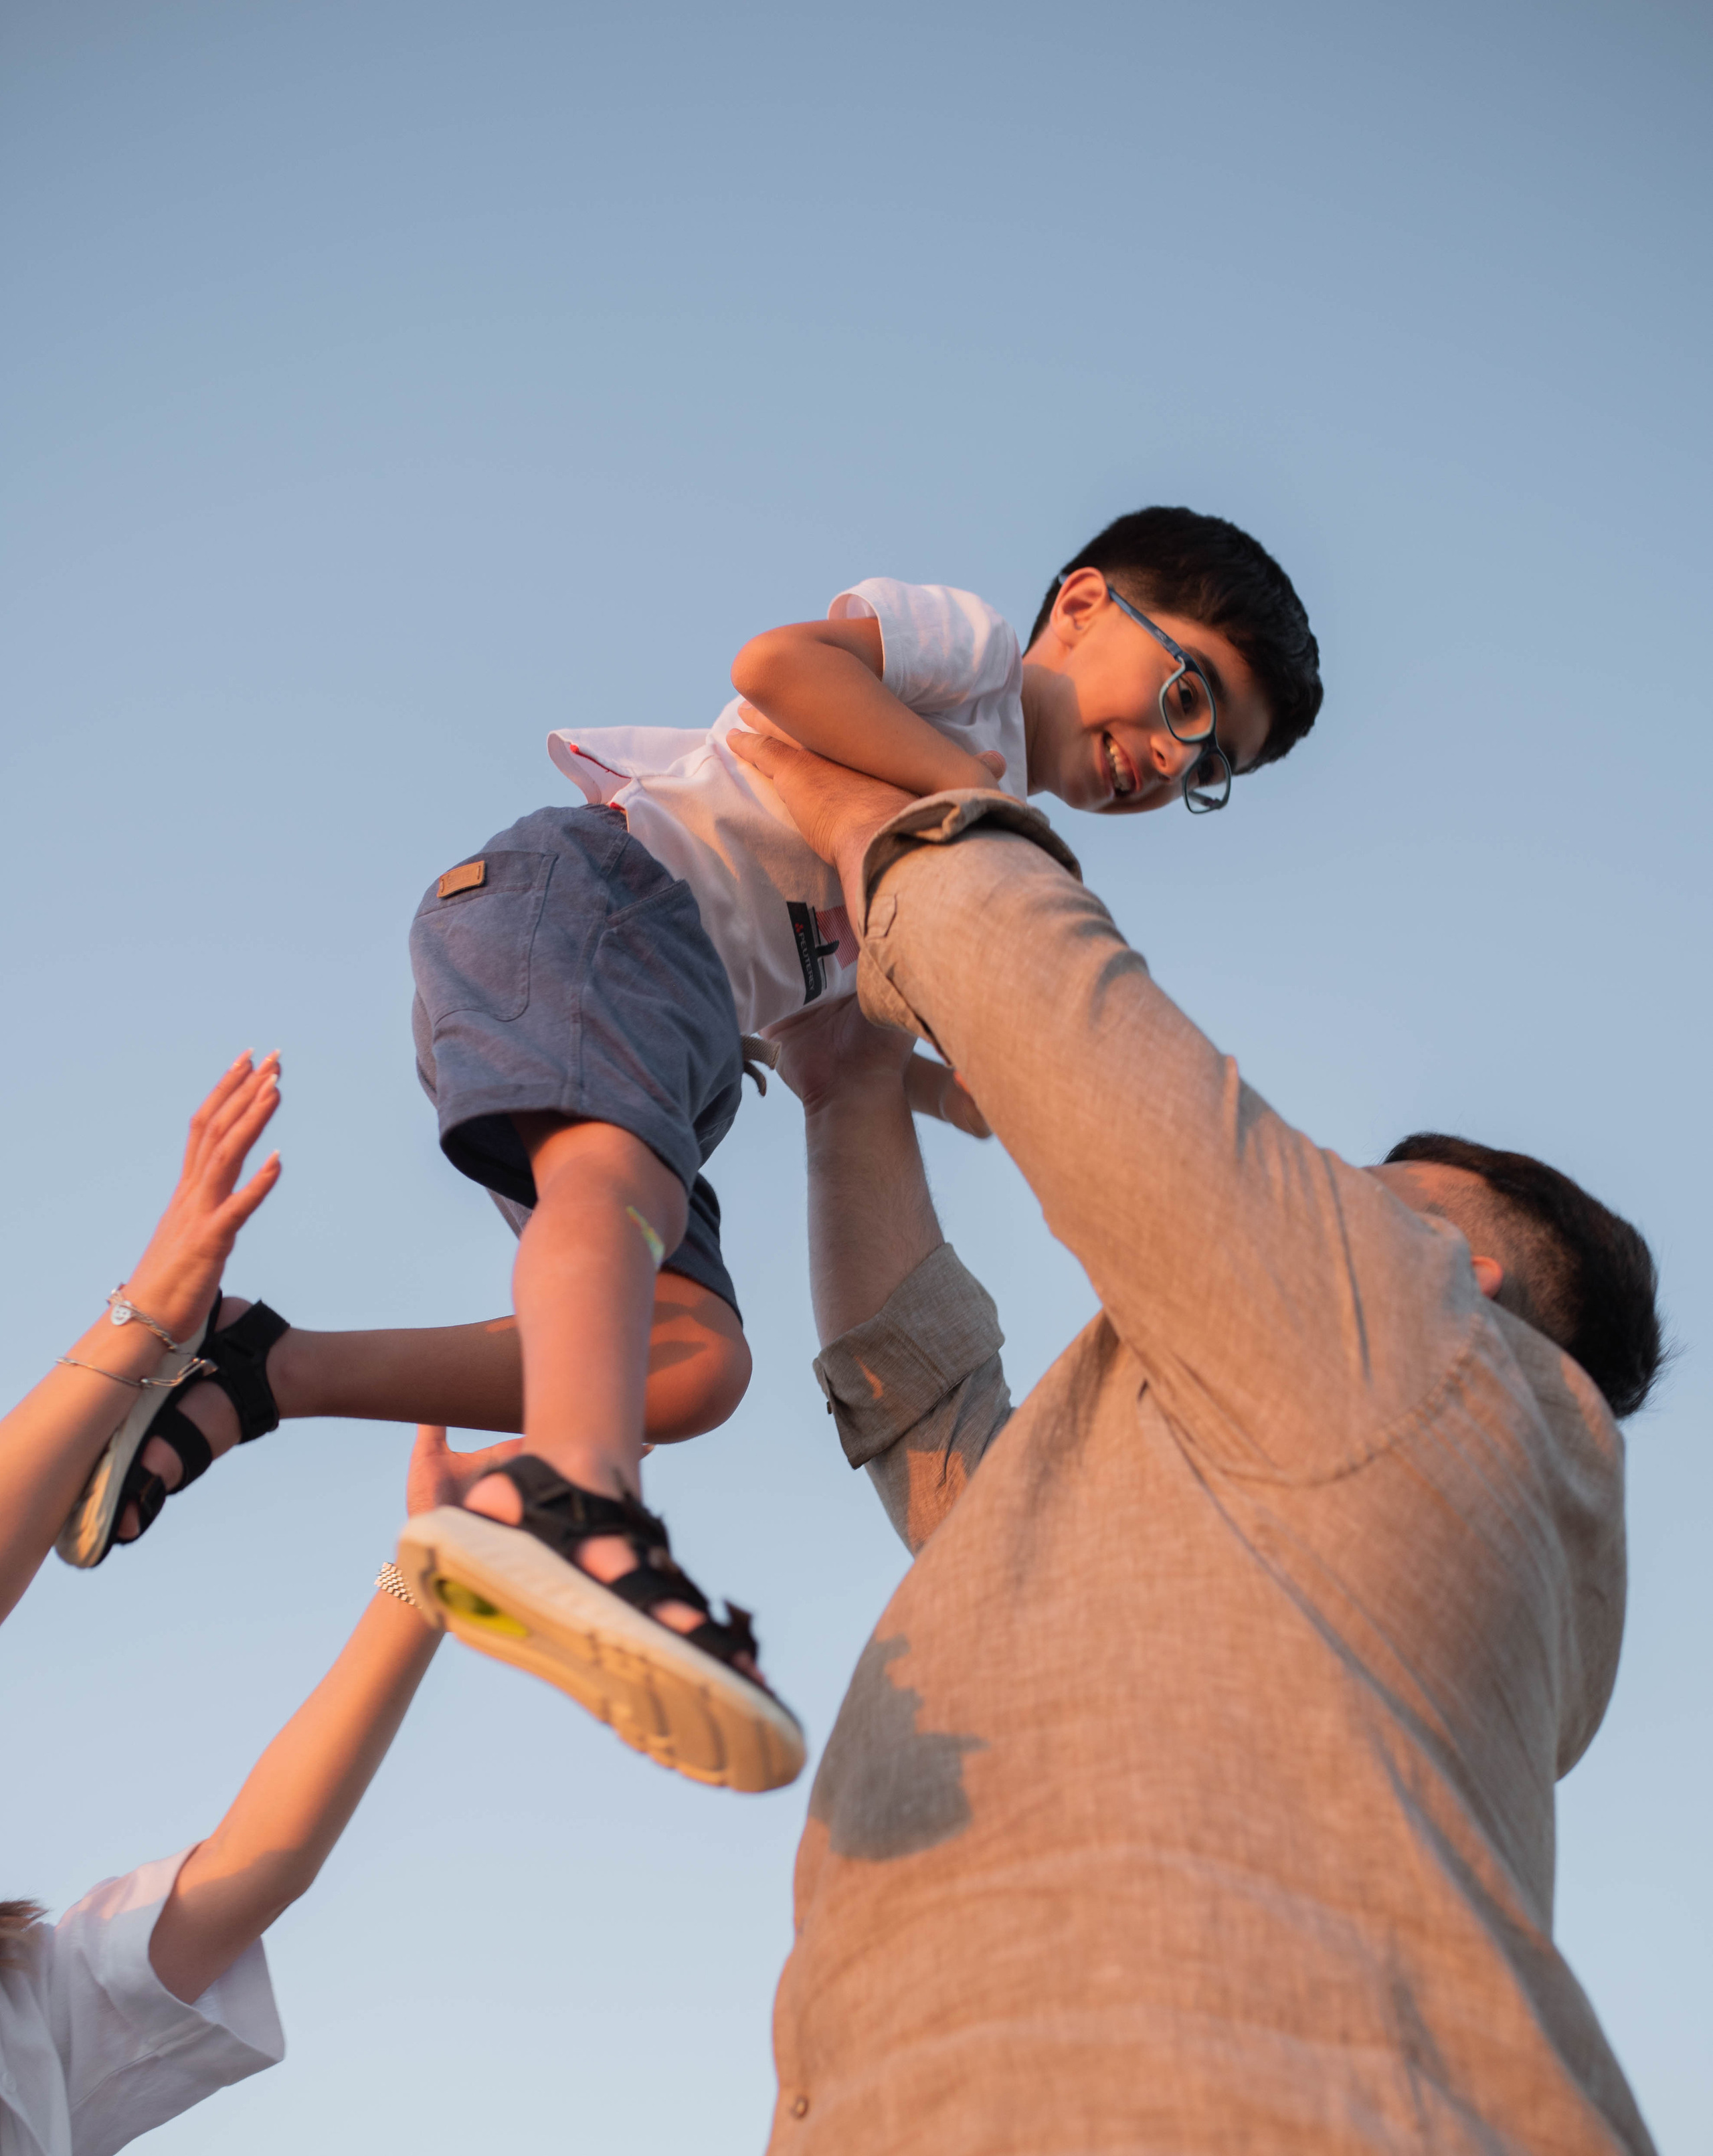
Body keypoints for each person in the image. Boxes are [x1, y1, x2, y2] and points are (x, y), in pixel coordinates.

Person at [729, 727, 1664, 2154]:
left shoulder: (1415, 1347)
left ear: (1455, 1279)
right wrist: (853, 1085)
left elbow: (1040, 993)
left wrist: (812, 779)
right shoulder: (1321, 1504)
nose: (1317, 1203)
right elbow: (950, 1450)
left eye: (1355, 1196)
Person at [393, 506, 1324, 1789]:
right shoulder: (978, 663)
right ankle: (573, 1494)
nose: (1171, 755)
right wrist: (969, 798)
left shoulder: (942, 841)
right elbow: (776, 668)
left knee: (694, 1365)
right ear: (1087, 603)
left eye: (1210, 762)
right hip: (608, 899)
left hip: (679, 1027)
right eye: (1187, 694)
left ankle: (265, 1371)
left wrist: (963, 1091)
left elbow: (837, 1044)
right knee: (614, 1195)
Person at [3, 1056, 520, 2155]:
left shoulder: (24, 2024)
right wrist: (137, 1322)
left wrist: (417, 1586)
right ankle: (246, 1369)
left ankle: (245, 1369)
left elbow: (249, 1869)